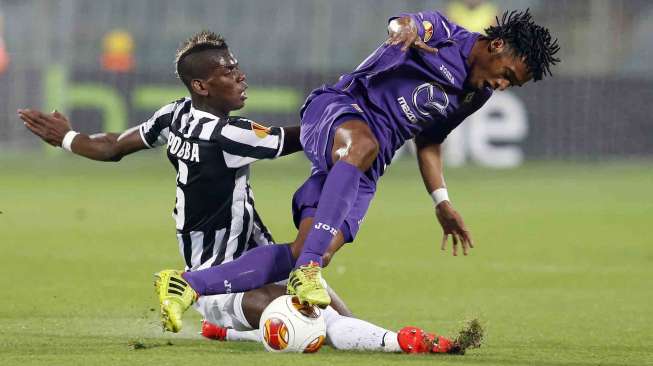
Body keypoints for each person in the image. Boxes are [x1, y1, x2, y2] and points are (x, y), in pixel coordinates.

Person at [19, 31, 482, 355]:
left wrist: (66, 137)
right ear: (202, 84)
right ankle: (404, 342)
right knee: (315, 326)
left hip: (259, 254)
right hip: (216, 278)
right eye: (227, 71)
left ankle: (228, 333)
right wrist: (365, 117)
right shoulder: (231, 135)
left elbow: (113, 146)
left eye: (237, 65)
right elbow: (308, 134)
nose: (240, 75)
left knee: (329, 314)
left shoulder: (173, 115)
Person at [153, 8, 560, 320]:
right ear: (496, 46)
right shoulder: (448, 33)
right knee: (360, 146)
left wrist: (442, 201)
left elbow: (430, 141)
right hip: (338, 110)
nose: (502, 86)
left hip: (367, 163)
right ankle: (308, 270)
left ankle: (187, 284)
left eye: (512, 85)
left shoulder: (475, 96)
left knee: (310, 249)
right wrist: (402, 31)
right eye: (507, 75)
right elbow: (407, 23)